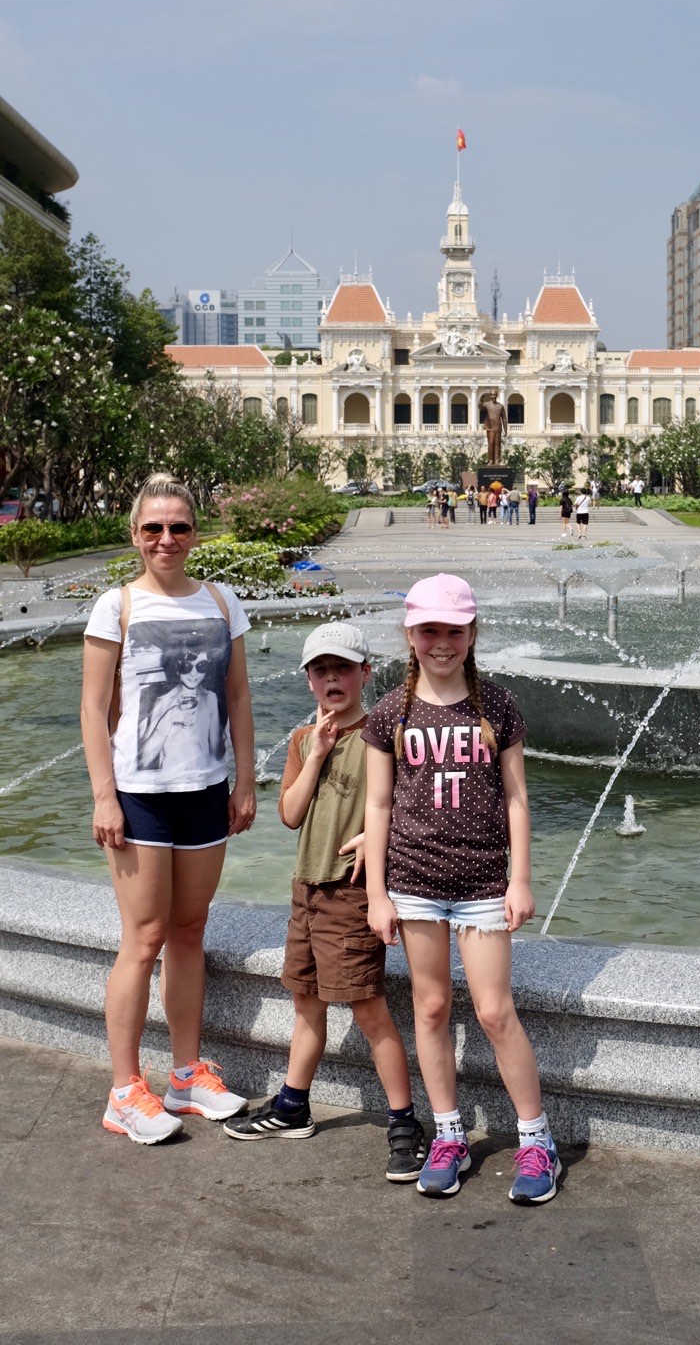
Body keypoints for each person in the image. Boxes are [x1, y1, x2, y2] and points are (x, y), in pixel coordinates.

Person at [363, 575, 560, 1205]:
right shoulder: (390, 711)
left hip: (481, 883)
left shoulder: (496, 706)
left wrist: (520, 879)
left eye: (453, 630)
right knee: (430, 1008)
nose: (441, 643)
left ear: (472, 634)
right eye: (429, 631)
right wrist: (376, 894)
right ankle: (446, 1133)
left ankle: (536, 1139)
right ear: (411, 635)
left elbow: (517, 799)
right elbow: (377, 805)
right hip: (414, 882)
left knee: (495, 1012)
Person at [81, 472, 255, 1145]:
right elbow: (94, 711)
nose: (166, 539)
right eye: (153, 528)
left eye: (178, 527)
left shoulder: (221, 600)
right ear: (135, 535)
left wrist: (244, 781)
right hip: (140, 797)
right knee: (143, 937)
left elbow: (238, 698)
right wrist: (105, 796)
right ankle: (125, 1089)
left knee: (189, 932)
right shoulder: (117, 606)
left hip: (206, 790)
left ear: (195, 533)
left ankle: (185, 1074)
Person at [223, 622, 426, 1181]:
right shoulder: (300, 739)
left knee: (366, 1008)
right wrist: (315, 754)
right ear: (309, 679)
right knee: (306, 1001)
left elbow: (414, 802)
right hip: (307, 888)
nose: (331, 678)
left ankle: (405, 1121)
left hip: (353, 892)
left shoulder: (387, 734)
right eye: (320, 670)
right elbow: (289, 814)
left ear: (365, 673)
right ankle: (293, 1105)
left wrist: (375, 837)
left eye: (343, 668)